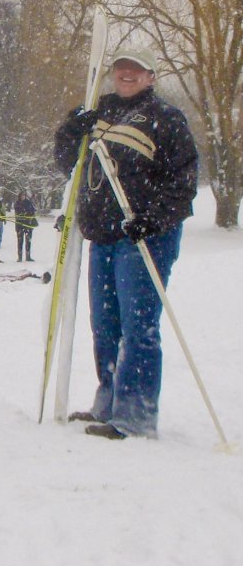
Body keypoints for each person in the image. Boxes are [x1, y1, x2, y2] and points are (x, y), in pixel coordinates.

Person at [54, 47, 198, 440]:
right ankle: (108, 403)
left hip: (144, 239)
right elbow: (68, 163)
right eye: (121, 69)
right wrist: (72, 130)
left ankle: (135, 415)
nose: (127, 75)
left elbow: (184, 182)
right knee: (105, 326)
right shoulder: (96, 111)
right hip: (102, 236)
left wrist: (153, 219)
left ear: (151, 76)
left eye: (136, 70)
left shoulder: (165, 118)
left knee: (138, 327)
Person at [13, 191, 37, 262]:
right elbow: (18, 212)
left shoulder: (28, 203)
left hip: (28, 224)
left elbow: (32, 211)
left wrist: (30, 214)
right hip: (19, 225)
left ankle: (28, 256)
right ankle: (19, 257)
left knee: (28, 241)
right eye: (22, 196)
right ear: (19, 196)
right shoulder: (17, 203)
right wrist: (24, 213)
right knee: (20, 241)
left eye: (24, 195)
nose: (23, 197)